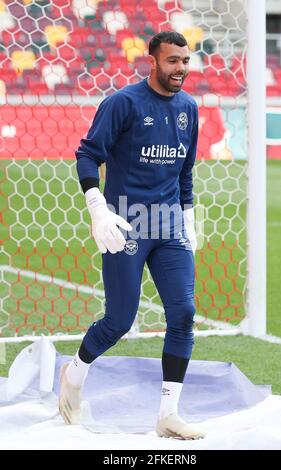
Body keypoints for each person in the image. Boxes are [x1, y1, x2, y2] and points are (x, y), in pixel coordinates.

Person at [59, 31, 205, 440]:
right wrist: (97, 208)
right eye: (172, 61)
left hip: (169, 225)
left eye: (185, 61)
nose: (180, 68)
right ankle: (74, 372)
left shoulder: (189, 109)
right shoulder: (123, 103)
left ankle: (168, 415)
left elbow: (184, 171)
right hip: (126, 225)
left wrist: (188, 220)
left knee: (184, 313)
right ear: (152, 61)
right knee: (119, 320)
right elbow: (88, 153)